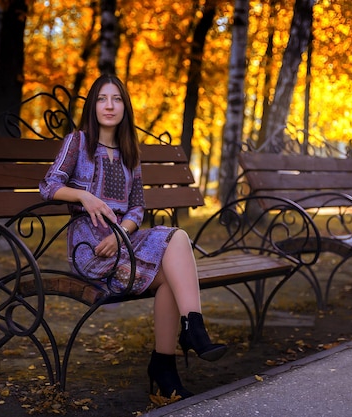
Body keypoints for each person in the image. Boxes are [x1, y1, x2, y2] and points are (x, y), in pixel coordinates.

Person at [39, 74, 227, 399]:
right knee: (170, 269)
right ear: (93, 106)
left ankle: (180, 344)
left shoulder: (130, 152)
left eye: (116, 99)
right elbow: (48, 186)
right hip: (92, 249)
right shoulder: (79, 142)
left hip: (122, 242)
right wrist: (84, 197)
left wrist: (122, 232)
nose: (109, 106)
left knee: (177, 239)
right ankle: (181, 346)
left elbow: (137, 208)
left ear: (125, 106)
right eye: (102, 99)